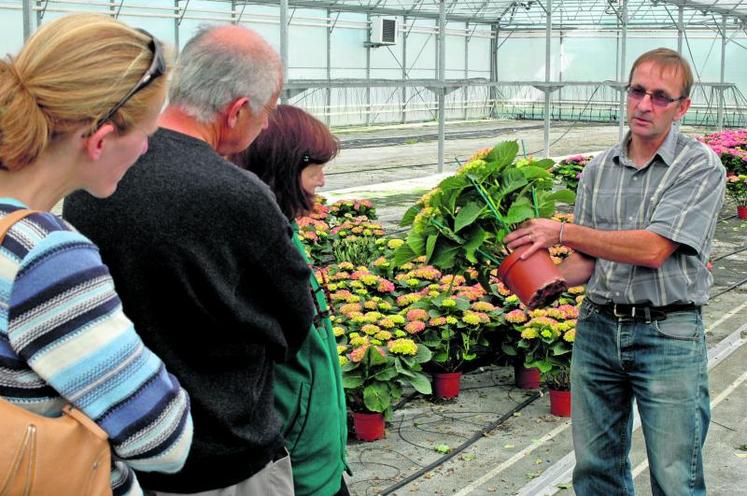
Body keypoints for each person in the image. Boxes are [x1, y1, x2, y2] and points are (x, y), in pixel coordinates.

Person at [64, 24, 315, 495]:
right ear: (237, 110)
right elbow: (296, 322)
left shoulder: (95, 176)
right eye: (266, 112)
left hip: (118, 452)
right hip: (225, 460)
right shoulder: (239, 196)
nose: (265, 124)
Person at [504, 48, 724, 494]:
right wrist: (538, 273)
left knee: (676, 474)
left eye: (661, 97)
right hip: (599, 328)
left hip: (669, 333)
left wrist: (562, 231)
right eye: (638, 91)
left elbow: (654, 248)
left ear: (683, 107)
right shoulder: (599, 170)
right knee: (596, 468)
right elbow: (589, 261)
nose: (645, 104)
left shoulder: (699, 166)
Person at [0, 13, 193, 496]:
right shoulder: (41, 256)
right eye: (147, 132)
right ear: (102, 139)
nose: (147, 148)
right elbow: (164, 439)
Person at [229, 105, 350, 496]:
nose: (322, 180)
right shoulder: (255, 240)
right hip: (294, 462)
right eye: (314, 166)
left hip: (316, 451)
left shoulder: (282, 230)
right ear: (282, 165)